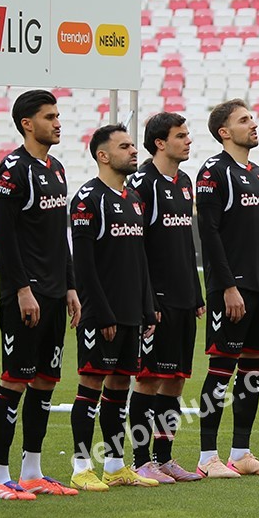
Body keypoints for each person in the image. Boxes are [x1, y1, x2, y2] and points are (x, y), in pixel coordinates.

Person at [0, 89, 81, 499]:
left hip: (56, 294)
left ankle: (32, 472)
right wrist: (23, 290)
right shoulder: (12, 169)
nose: (57, 122)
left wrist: (71, 287)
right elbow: (4, 239)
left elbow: (60, 237)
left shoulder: (56, 168)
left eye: (58, 115)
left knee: (45, 383)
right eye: (49, 116)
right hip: (25, 297)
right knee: (14, 382)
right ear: (27, 124)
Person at [195, 99, 259, 477]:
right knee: (221, 369)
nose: (253, 124)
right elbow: (209, 233)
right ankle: (206, 458)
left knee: (253, 371)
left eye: (252, 118)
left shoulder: (258, 173)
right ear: (224, 132)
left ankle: (241, 453)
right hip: (232, 289)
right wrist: (227, 286)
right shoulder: (213, 172)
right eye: (243, 120)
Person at [67, 124, 164, 489]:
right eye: (124, 147)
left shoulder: (133, 198)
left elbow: (139, 258)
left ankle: (115, 464)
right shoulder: (87, 198)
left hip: (130, 311)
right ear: (103, 155)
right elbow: (84, 264)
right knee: (91, 384)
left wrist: (147, 305)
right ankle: (80, 468)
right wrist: (101, 311)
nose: (133, 152)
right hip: (100, 313)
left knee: (120, 387)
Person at [130, 113, 206, 483]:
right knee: (148, 379)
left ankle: (165, 457)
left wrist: (195, 292)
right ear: (160, 142)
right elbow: (136, 247)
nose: (188, 141)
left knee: (175, 379)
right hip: (155, 300)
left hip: (182, 295)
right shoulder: (142, 183)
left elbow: (184, 245)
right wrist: (147, 300)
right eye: (181, 135)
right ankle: (140, 459)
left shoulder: (184, 182)